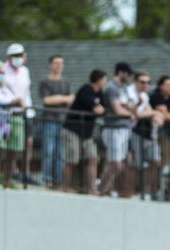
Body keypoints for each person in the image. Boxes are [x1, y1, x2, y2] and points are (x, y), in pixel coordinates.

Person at [63, 70, 106, 195]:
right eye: (104, 80)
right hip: (72, 130)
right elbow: (94, 108)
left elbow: (103, 109)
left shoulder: (100, 93)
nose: (105, 82)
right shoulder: (85, 90)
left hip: (86, 133)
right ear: (98, 80)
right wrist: (99, 109)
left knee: (92, 158)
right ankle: (64, 186)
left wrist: (100, 109)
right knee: (72, 159)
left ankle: (91, 189)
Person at [99, 61, 136, 196]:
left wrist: (127, 108)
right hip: (113, 128)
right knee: (115, 163)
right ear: (120, 72)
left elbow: (130, 104)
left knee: (123, 161)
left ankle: (110, 188)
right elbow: (117, 109)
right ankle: (102, 189)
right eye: (127, 74)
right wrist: (129, 113)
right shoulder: (111, 88)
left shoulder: (124, 88)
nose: (128, 77)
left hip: (124, 129)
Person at [39, 55, 73, 189]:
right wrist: (64, 99)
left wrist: (59, 98)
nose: (59, 66)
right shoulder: (44, 82)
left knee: (61, 153)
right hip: (49, 120)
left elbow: (71, 99)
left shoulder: (66, 82)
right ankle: (47, 179)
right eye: (56, 63)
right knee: (48, 151)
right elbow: (47, 101)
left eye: (61, 63)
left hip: (63, 121)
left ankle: (58, 180)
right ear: (50, 65)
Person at [1, 44, 32, 187]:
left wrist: (28, 109)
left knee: (17, 148)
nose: (18, 58)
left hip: (22, 114)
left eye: (20, 55)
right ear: (9, 57)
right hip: (6, 114)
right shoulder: (2, 69)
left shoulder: (25, 71)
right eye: (15, 56)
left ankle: (14, 177)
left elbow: (26, 92)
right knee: (2, 148)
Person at [128, 71, 162, 197]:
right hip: (134, 132)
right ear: (136, 82)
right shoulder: (129, 93)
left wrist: (155, 115)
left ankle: (146, 190)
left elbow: (149, 111)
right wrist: (152, 114)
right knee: (136, 164)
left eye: (148, 82)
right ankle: (132, 190)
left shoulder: (145, 96)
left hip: (148, 134)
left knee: (156, 162)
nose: (145, 85)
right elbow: (136, 114)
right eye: (142, 82)